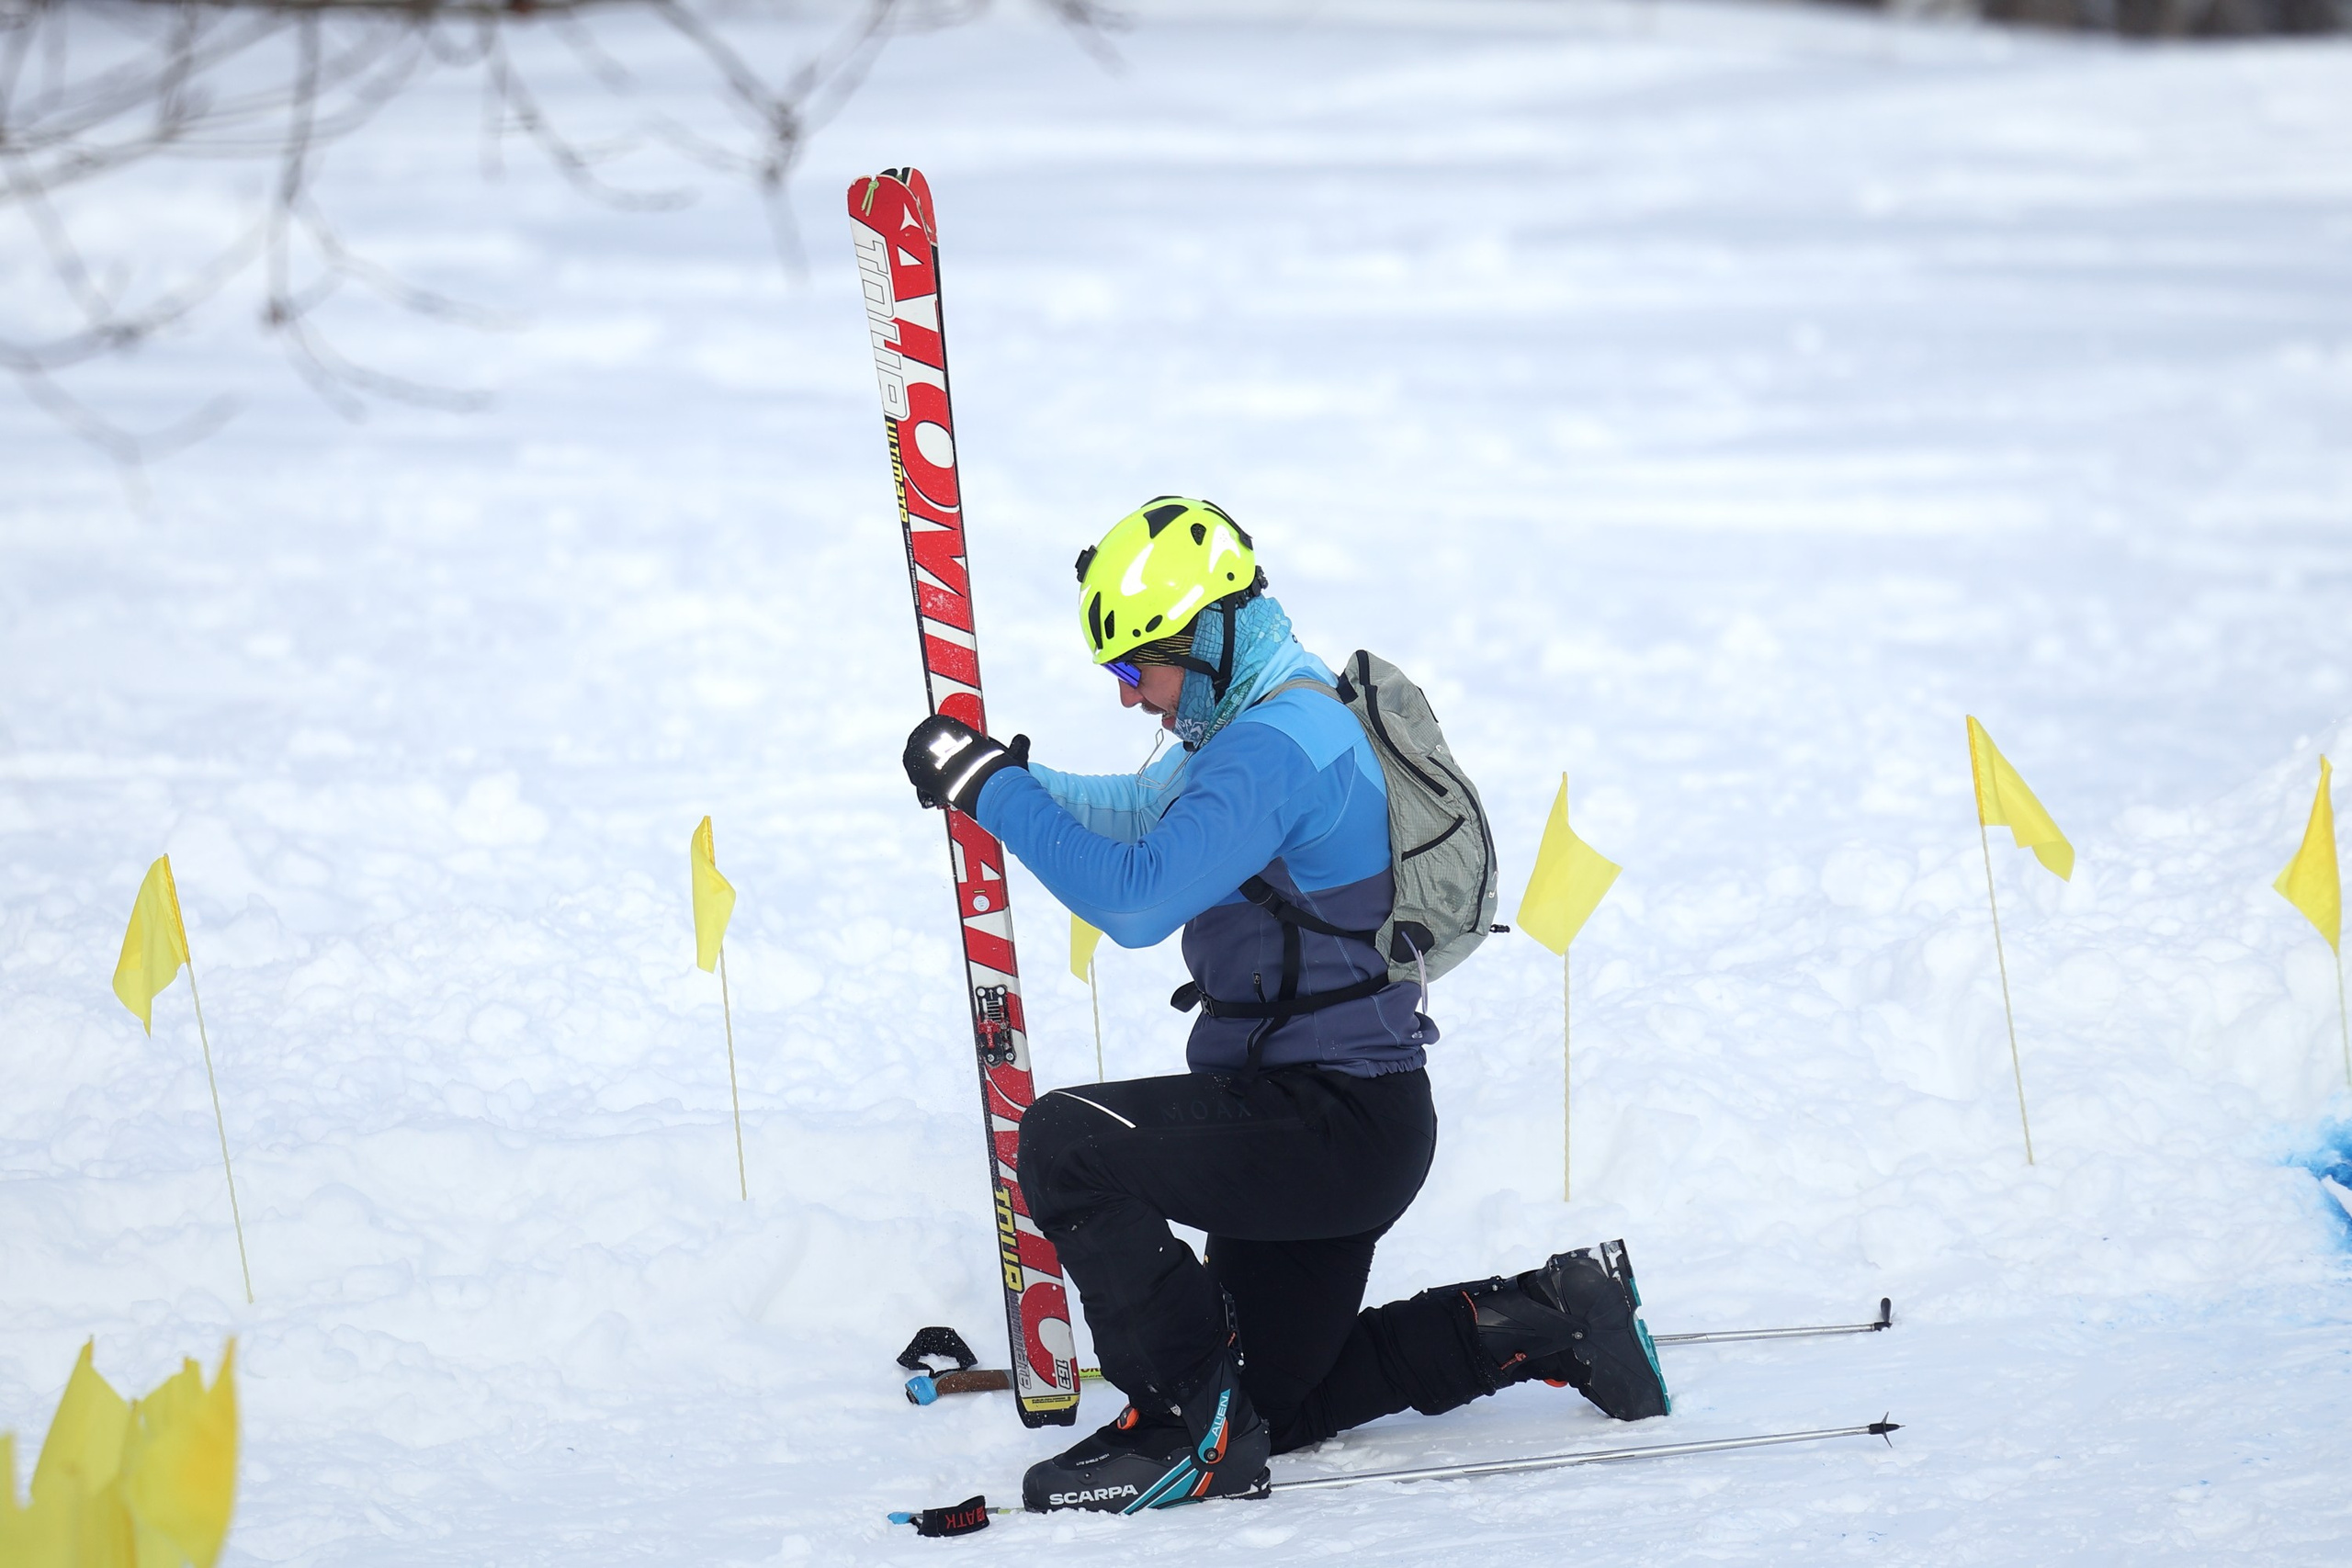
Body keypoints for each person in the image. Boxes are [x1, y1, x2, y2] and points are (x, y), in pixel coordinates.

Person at [900, 497, 1668, 1516]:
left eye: (1138, 670)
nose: (1131, 698)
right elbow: (1143, 812)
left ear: (1209, 635)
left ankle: (1186, 1429)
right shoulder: (1275, 717)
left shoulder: (1277, 745)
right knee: (1267, 1404)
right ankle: (1555, 1316)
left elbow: (1134, 899)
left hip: (1326, 1123)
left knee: (1063, 1145)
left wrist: (997, 795)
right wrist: (1011, 777)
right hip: (1344, 1122)